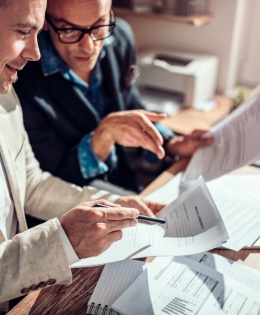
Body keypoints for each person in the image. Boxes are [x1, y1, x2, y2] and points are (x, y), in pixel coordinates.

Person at [0, 0, 165, 311]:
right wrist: (60, 244)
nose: (36, 53)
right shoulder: (25, 85)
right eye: (23, 30)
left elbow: (31, 185)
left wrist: (109, 203)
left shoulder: (6, 97)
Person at [15, 0, 213, 194]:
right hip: (73, 198)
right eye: (69, 30)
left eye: (98, 26)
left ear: (110, 12)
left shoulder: (120, 37)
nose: (89, 46)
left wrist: (171, 143)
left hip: (125, 180)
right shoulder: (21, 74)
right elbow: (48, 181)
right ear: (46, 22)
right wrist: (101, 139)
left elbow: (130, 106)